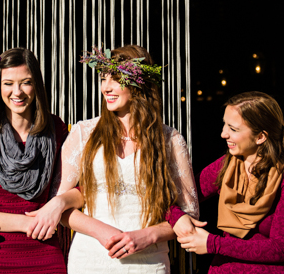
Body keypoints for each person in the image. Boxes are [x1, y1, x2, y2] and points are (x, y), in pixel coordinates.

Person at [53, 45, 199, 273]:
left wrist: (149, 235)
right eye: (103, 79)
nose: (106, 87)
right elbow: (59, 206)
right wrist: (101, 231)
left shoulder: (169, 139)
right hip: (90, 259)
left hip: (149, 262)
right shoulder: (84, 133)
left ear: (140, 84)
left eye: (116, 79)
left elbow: (189, 213)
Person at [0, 48, 74, 273]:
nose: (17, 92)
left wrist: (58, 204)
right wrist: (26, 223)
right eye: (8, 83)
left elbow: (81, 187)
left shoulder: (57, 130)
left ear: (37, 86)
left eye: (25, 82)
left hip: (47, 255)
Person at [172, 91, 284, 273]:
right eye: (224, 125)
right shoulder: (225, 166)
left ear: (261, 136)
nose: (223, 134)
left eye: (233, 129)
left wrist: (212, 244)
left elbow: (279, 249)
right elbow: (173, 197)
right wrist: (178, 217)